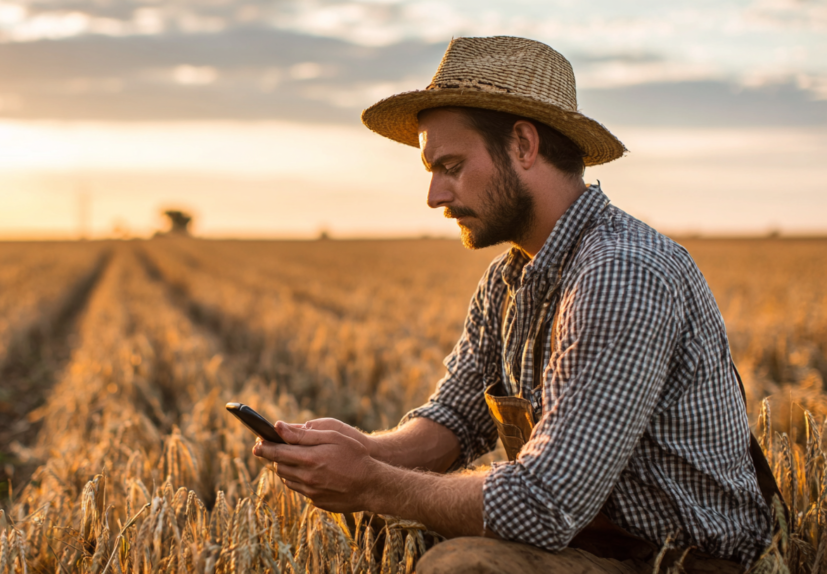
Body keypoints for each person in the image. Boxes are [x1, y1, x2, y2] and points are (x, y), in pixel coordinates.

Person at [252, 36, 777, 573]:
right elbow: (456, 419)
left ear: (524, 146)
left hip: (675, 562)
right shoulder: (508, 280)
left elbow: (543, 505)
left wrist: (369, 481)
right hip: (586, 542)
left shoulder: (621, 272)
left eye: (451, 165)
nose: (434, 196)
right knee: (378, 519)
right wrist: (364, 451)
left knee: (459, 567)